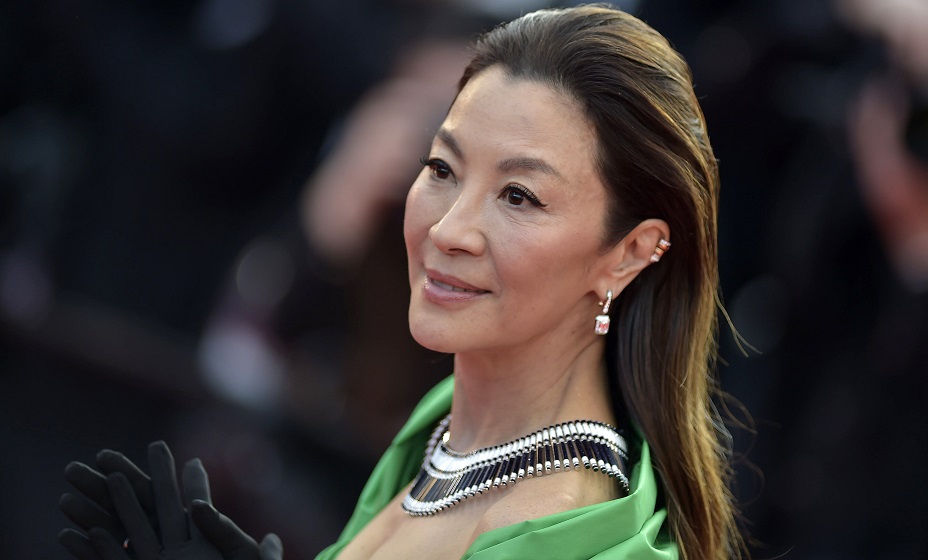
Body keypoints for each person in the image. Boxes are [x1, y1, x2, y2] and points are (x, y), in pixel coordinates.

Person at [58, 4, 746, 559]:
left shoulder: (564, 533)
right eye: (441, 168)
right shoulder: (444, 424)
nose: (449, 229)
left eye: (518, 197)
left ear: (629, 253)